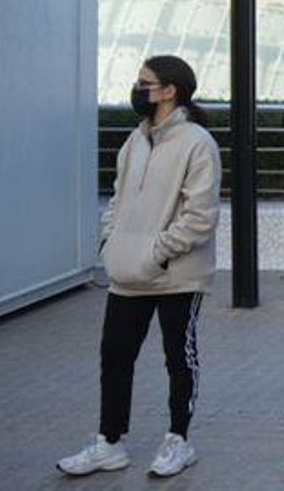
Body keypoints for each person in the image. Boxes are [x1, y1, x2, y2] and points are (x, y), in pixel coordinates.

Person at [57, 56, 220, 479]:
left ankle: (178, 440)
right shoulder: (135, 140)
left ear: (170, 91)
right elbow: (118, 198)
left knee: (179, 359)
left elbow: (200, 216)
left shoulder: (197, 142)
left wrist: (155, 252)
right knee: (114, 356)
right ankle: (109, 443)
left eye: (145, 83)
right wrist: (112, 243)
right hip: (127, 274)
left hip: (176, 275)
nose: (137, 89)